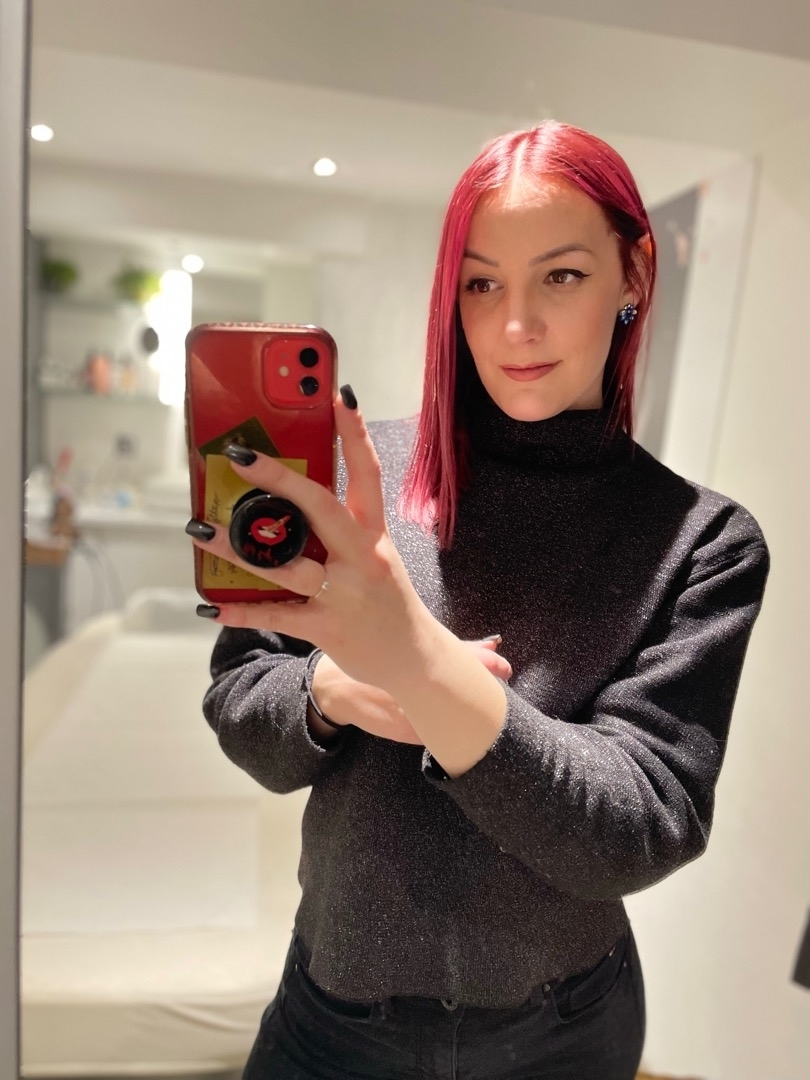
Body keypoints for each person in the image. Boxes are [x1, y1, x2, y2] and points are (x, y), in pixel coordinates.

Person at [185, 121, 769, 1080]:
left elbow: (636, 832)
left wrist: (420, 667)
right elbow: (242, 713)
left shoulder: (701, 543)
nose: (514, 326)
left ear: (633, 272)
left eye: (562, 276)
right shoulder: (354, 476)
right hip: (331, 1016)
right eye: (481, 283)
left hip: (566, 1030)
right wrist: (329, 693)